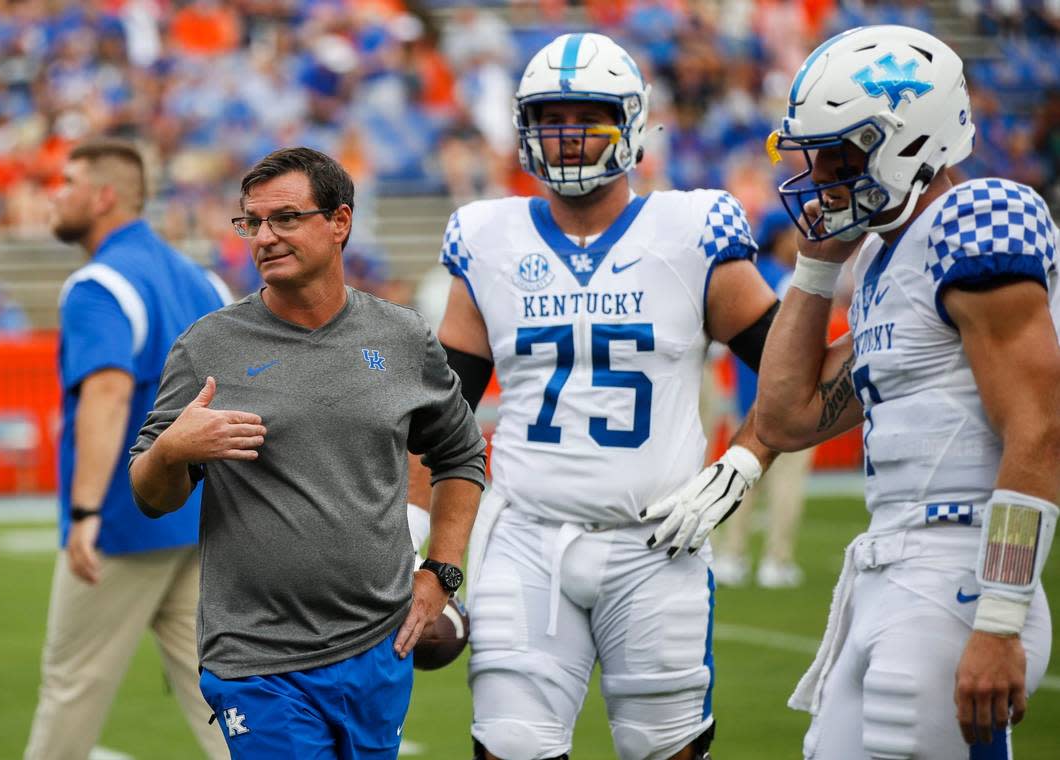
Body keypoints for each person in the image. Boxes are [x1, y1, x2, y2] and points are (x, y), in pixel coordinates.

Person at [433, 32, 782, 760]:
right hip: (526, 536)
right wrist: (426, 557)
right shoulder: (485, 236)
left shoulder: (693, 230)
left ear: (629, 120)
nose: (564, 137)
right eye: (548, 118)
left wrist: (743, 461)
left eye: (585, 116)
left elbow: (793, 376)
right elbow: (435, 418)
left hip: (658, 541)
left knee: (667, 749)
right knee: (509, 746)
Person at [757, 25, 1057, 758]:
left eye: (840, 150)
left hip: (961, 566)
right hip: (892, 569)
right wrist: (818, 269)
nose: (822, 171)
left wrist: (999, 615)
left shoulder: (975, 221)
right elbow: (787, 415)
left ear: (909, 139)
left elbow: (1041, 430)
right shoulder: (891, 258)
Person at [128, 146, 487, 759]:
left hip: (379, 645)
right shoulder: (208, 346)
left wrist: (442, 572)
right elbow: (150, 495)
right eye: (252, 222)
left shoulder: (402, 339)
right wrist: (172, 451)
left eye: (286, 218)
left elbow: (462, 455)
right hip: (257, 654)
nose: (264, 236)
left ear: (339, 222)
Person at [24, 139, 232, 760]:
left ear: (103, 196)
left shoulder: (100, 283)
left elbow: (108, 396)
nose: (54, 193)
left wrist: (86, 511)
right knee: (218, 700)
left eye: (67, 181)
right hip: (200, 518)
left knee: (70, 688)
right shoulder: (203, 278)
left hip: (122, 522)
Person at [715, 219, 814, 588]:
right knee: (787, 479)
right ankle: (777, 559)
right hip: (788, 397)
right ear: (780, 238)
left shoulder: (746, 279)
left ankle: (731, 555)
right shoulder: (791, 279)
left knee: (742, 476)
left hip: (747, 394)